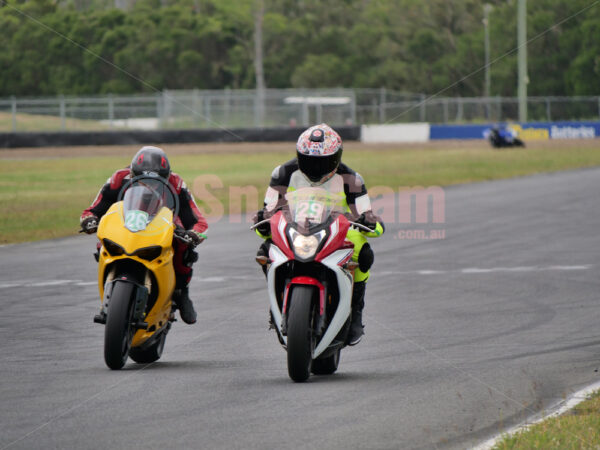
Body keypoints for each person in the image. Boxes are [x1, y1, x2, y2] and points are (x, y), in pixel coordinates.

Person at [253, 124, 384, 345]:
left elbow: (366, 215)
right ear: (299, 156)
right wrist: (262, 223)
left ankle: (355, 312)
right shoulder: (283, 173)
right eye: (309, 160)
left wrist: (369, 222)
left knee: (363, 252)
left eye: (322, 161)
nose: (315, 167)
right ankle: (277, 301)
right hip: (295, 227)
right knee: (266, 250)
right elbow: (268, 212)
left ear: (336, 158)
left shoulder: (352, 178)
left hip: (336, 229)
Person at [80, 146, 207, 324]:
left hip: (160, 225)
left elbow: (197, 219)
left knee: (184, 247)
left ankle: (180, 291)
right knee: (102, 243)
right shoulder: (118, 178)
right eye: (141, 180)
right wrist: (89, 220)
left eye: (156, 182)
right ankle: (111, 285)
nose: (148, 185)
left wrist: (193, 233)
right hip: (127, 223)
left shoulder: (177, 183)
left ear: (166, 177)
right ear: (132, 174)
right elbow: (94, 208)